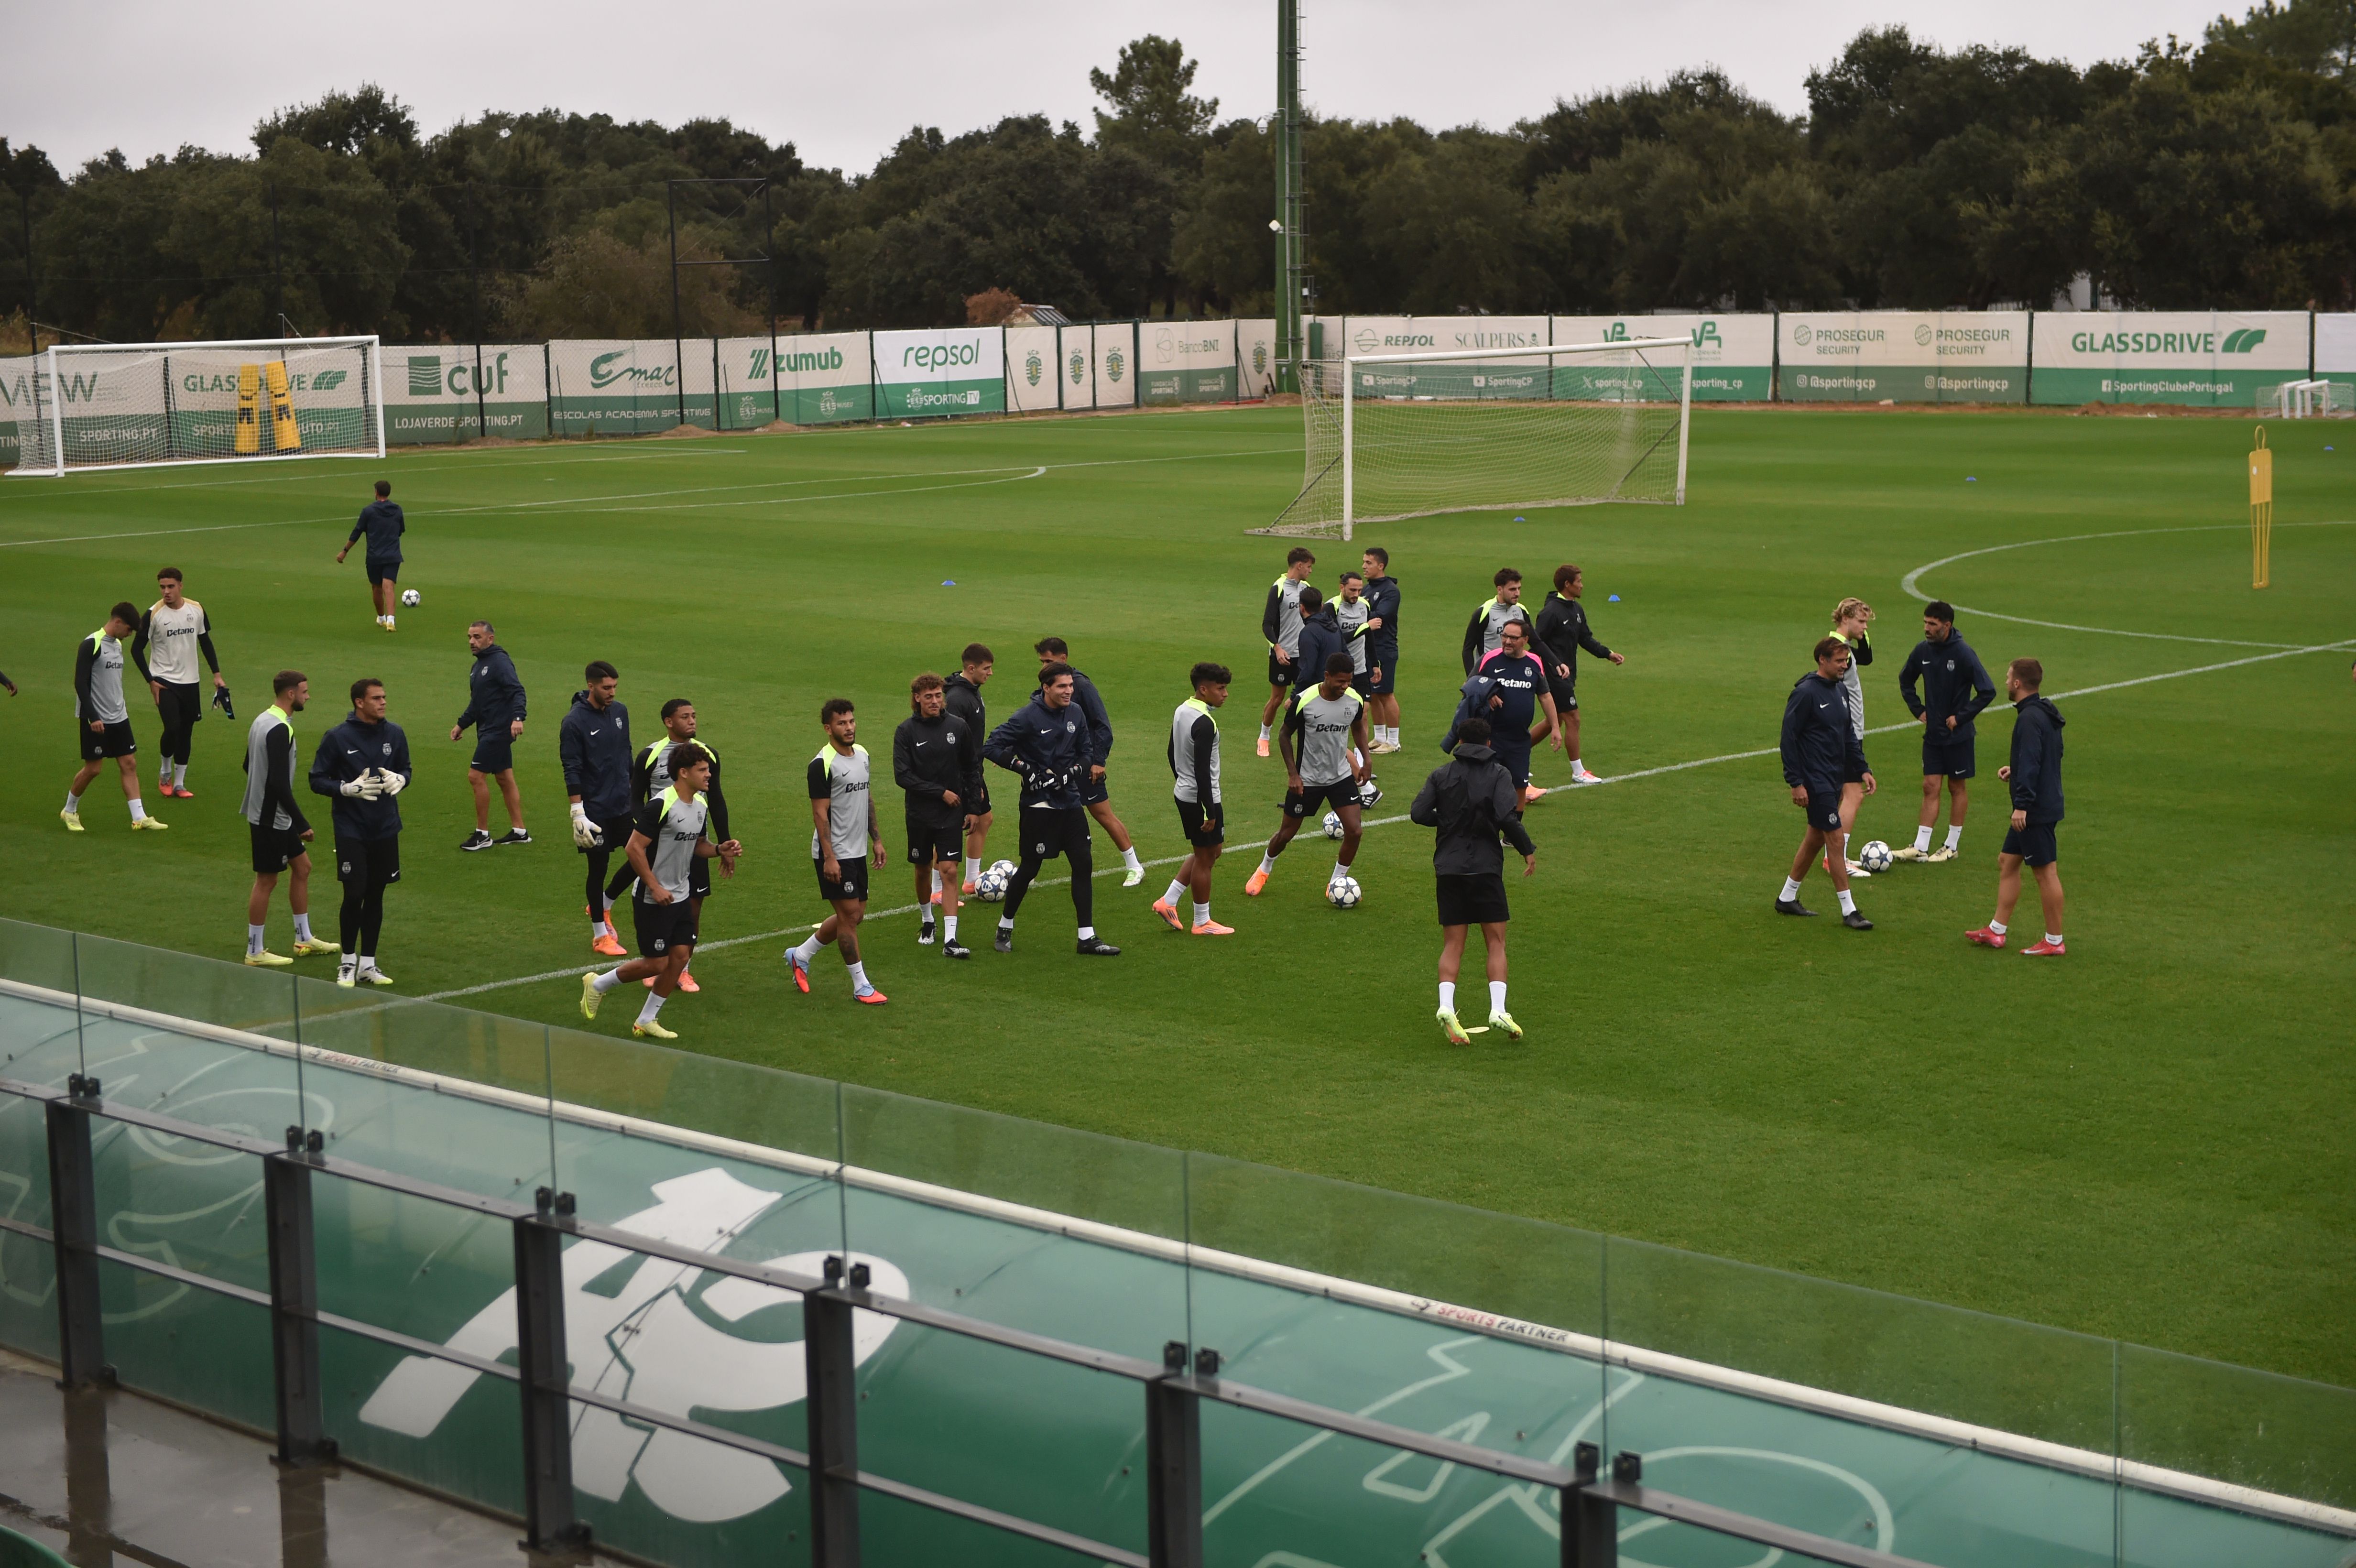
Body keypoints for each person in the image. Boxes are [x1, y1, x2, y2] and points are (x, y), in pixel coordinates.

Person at [579, 745, 738, 1039]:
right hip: (653, 899)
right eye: (703, 770)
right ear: (684, 772)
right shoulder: (661, 805)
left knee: (679, 958)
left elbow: (698, 846)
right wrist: (655, 886)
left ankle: (646, 1020)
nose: (709, 775)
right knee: (656, 963)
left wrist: (718, 849)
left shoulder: (700, 806)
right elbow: (633, 848)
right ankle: (598, 984)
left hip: (681, 895)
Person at [1409, 717, 1536, 1045]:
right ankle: (1498, 1010)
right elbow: (1507, 816)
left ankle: (1446, 1007)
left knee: (1453, 944)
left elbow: (1419, 813)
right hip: (1485, 869)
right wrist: (1527, 850)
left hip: (1449, 868)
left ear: (1460, 744)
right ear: (1489, 744)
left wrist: (1448, 820)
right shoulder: (1499, 774)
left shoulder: (1441, 774)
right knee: (1496, 942)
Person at [984, 663, 1120, 956]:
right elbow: (992, 745)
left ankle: (1087, 937)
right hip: (1039, 806)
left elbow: (1086, 751)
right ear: (1046, 688)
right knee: (1031, 867)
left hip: (1070, 801)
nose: (1069, 691)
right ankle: (1005, 926)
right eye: (1062, 686)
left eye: (1070, 686)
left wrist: (1071, 774)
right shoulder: (1027, 717)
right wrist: (1026, 770)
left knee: (1083, 863)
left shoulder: (1076, 713)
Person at [307, 677, 410, 987]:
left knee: (377, 893)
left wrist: (401, 780)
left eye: (384, 697)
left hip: (386, 826)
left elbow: (406, 768)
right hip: (351, 828)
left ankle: (369, 963)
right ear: (359, 703)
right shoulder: (338, 737)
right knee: (354, 893)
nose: (383, 702)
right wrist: (345, 788)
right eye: (377, 698)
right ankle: (347, 962)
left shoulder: (395, 733)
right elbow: (316, 779)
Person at [784, 700, 889, 1002]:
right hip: (834, 853)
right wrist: (829, 856)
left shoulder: (863, 755)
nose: (850, 727)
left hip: (857, 850)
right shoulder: (822, 765)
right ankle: (861, 986)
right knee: (848, 916)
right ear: (829, 729)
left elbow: (867, 799)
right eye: (842, 724)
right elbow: (820, 814)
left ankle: (800, 955)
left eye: (852, 721)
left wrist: (877, 839)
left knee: (856, 915)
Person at [1246, 653, 1373, 900]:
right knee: (1286, 834)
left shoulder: (1354, 700)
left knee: (1355, 831)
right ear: (1326, 677)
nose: (1344, 687)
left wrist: (1365, 760)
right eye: (1339, 682)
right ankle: (1264, 868)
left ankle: (1337, 879)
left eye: (1348, 682)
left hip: (1340, 776)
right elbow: (1284, 736)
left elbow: (1357, 727)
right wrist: (1293, 775)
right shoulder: (1305, 701)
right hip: (1308, 780)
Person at [1968, 658, 2068, 957]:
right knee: (2007, 862)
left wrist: (2022, 805)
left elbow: (2035, 757)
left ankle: (2054, 941)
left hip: (2034, 809)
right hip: (2041, 799)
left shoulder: (2029, 718)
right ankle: (1996, 931)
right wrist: (2018, 768)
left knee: (2045, 872)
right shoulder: (2044, 712)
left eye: (2008, 676)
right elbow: (2051, 752)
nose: (2006, 680)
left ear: (2017, 684)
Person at [632, 699, 731, 991]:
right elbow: (636, 797)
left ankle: (682, 968)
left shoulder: (707, 754)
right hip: (660, 842)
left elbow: (717, 800)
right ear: (668, 722)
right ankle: (655, 961)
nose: (692, 721)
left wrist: (724, 845)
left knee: (692, 908)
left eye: (694, 716)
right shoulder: (650, 755)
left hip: (694, 840)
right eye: (684, 717)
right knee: (656, 901)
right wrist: (644, 831)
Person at [1776, 637, 1875, 929]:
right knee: (1834, 837)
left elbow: (1848, 736)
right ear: (1822, 660)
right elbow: (1788, 739)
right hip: (1814, 780)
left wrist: (1862, 769)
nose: (1845, 666)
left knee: (1815, 838)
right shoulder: (1805, 694)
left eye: (1846, 661)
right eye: (1840, 661)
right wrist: (1795, 782)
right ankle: (1849, 911)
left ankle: (1786, 898)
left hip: (1834, 777)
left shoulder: (1841, 690)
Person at [242, 670, 337, 965]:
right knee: (266, 881)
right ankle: (255, 951)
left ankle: (303, 938)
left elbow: (249, 765)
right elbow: (279, 783)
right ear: (291, 694)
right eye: (305, 692)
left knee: (303, 868)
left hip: (272, 814)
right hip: (271, 817)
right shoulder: (281, 729)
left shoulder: (262, 720)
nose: (309, 696)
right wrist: (301, 822)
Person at [1035, 637, 1146, 886]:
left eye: (1048, 661)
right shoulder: (1048, 685)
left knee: (1102, 814)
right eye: (1042, 661)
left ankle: (1134, 866)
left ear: (1063, 659)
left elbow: (1102, 725)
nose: (1043, 665)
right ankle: (1032, 864)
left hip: (1084, 765)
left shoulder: (1082, 687)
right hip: (1058, 766)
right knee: (1045, 813)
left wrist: (1098, 761)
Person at [1893, 600, 1994, 864]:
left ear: (1947, 626)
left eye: (1933, 624)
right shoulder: (1922, 650)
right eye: (1925, 623)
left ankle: (1951, 845)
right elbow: (1906, 680)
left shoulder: (1963, 653)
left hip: (1958, 736)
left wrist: (1961, 717)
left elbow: (1987, 691)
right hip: (1934, 735)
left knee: (1956, 786)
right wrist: (1918, 710)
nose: (1927, 628)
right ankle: (1921, 846)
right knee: (1930, 786)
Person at [895, 673, 979, 959]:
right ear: (917, 698)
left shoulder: (958, 727)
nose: (935, 701)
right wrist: (940, 792)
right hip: (919, 813)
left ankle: (951, 939)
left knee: (950, 870)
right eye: (929, 696)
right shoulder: (906, 731)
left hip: (951, 813)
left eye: (939, 695)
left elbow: (970, 769)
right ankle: (927, 920)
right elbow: (903, 776)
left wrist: (972, 808)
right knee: (921, 868)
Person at [64, 603, 165, 834]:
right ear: (118, 622)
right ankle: (69, 810)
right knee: (93, 769)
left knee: (129, 763)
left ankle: (139, 817)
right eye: (128, 630)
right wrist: (92, 717)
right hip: (97, 719)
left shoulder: (117, 645)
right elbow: (80, 683)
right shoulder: (92, 644)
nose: (129, 635)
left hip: (119, 716)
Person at [130, 567, 227, 799]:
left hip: (191, 681)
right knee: (172, 727)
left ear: (181, 586)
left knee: (186, 731)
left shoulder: (196, 609)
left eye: (171, 587)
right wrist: (150, 680)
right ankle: (165, 771)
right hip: (164, 681)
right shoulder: (153, 614)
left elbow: (205, 642)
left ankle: (180, 784)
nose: (166, 592)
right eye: (162, 587)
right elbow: (136, 649)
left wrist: (217, 674)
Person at [560, 662, 634, 958]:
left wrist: (635, 794)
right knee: (599, 867)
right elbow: (572, 767)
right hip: (594, 808)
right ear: (590, 686)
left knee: (643, 854)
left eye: (615, 687)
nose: (612, 693)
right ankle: (600, 935)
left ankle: (604, 904)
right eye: (606, 688)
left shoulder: (620, 712)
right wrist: (577, 810)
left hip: (622, 803)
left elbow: (626, 752)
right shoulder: (574, 722)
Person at [1155, 662, 1233, 935]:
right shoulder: (1205, 723)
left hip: (1188, 793)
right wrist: (1209, 811)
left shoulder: (1183, 710)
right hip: (1201, 797)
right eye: (1220, 689)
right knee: (1204, 857)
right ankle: (1202, 922)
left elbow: (1171, 751)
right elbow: (1202, 770)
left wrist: (1182, 781)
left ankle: (1169, 900)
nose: (1225, 694)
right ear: (1204, 689)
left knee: (1212, 851)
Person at [1532, 565, 1623, 786]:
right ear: (1567, 584)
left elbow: (1586, 639)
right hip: (1553, 675)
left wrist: (1607, 654)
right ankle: (1578, 771)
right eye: (1579, 581)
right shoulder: (1551, 612)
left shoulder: (1576, 609)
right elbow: (1536, 643)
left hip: (1568, 673)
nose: (1582, 585)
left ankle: (1512, 756)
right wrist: (1551, 667)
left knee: (1554, 720)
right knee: (1573, 718)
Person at [1456, 620, 1557, 807]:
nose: (1507, 641)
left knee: (1520, 785)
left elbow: (1545, 696)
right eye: (1504, 636)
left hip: (1520, 739)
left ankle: (1513, 833)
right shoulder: (1489, 659)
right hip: (1491, 737)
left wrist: (1556, 727)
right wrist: (1488, 693)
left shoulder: (1534, 662)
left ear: (1525, 640)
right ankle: (1485, 827)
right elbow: (1468, 687)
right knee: (1485, 784)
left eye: (1513, 638)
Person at [451, 620, 529, 849]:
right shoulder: (478, 667)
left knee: (476, 777)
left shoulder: (499, 662)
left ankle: (482, 834)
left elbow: (517, 690)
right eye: (470, 638)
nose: (472, 642)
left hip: (499, 730)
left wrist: (518, 718)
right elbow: (478, 704)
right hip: (488, 729)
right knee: (504, 778)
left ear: (490, 639)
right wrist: (461, 725)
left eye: (477, 637)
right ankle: (520, 831)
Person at [1821, 598, 1876, 879]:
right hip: (1848, 732)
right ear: (1846, 619)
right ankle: (1836, 859)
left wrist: (1860, 631)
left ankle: (1834, 854)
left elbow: (1866, 657)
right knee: (1854, 794)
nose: (1865, 628)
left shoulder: (1843, 648)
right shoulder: (1838, 651)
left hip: (1847, 732)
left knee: (1841, 795)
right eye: (1862, 622)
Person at [943, 644, 995, 891]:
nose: (991, 673)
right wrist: (967, 784)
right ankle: (937, 890)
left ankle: (972, 880)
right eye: (987, 669)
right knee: (947, 831)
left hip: (973, 769)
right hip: (959, 774)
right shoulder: (956, 699)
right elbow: (952, 744)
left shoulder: (971, 690)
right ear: (971, 668)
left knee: (984, 819)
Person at [1258, 545, 1318, 755]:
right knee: (1277, 699)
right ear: (1299, 565)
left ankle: (1304, 740)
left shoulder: (1306, 588)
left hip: (1303, 656)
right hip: (1283, 655)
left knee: (1305, 698)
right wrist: (1277, 648)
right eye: (1308, 567)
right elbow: (1267, 624)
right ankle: (1264, 737)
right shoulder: (1279, 588)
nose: (1310, 571)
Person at [337, 479, 407, 630]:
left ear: (376, 492)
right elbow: (401, 530)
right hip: (393, 555)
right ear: (389, 493)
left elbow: (357, 532)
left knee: (377, 587)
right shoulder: (398, 510)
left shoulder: (368, 511)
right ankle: (391, 621)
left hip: (375, 556)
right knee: (389, 586)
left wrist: (345, 551)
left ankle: (382, 618)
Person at [1360, 547, 1402, 752]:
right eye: (1364, 562)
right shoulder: (1368, 589)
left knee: (1386, 694)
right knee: (1373, 694)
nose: (1364, 566)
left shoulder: (1390, 591)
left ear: (1381, 566)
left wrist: (1360, 613)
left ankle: (1394, 741)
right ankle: (1379, 737)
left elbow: (1381, 615)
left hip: (1384, 648)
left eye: (1368, 563)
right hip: (1369, 649)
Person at [1460, 567, 1533, 674]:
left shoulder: (1521, 610)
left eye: (1519, 589)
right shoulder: (1484, 613)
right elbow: (1468, 649)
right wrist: (1472, 680)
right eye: (1513, 589)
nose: (1517, 593)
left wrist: (1557, 663)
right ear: (1500, 590)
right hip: (1488, 675)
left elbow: (1536, 642)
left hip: (1515, 674)